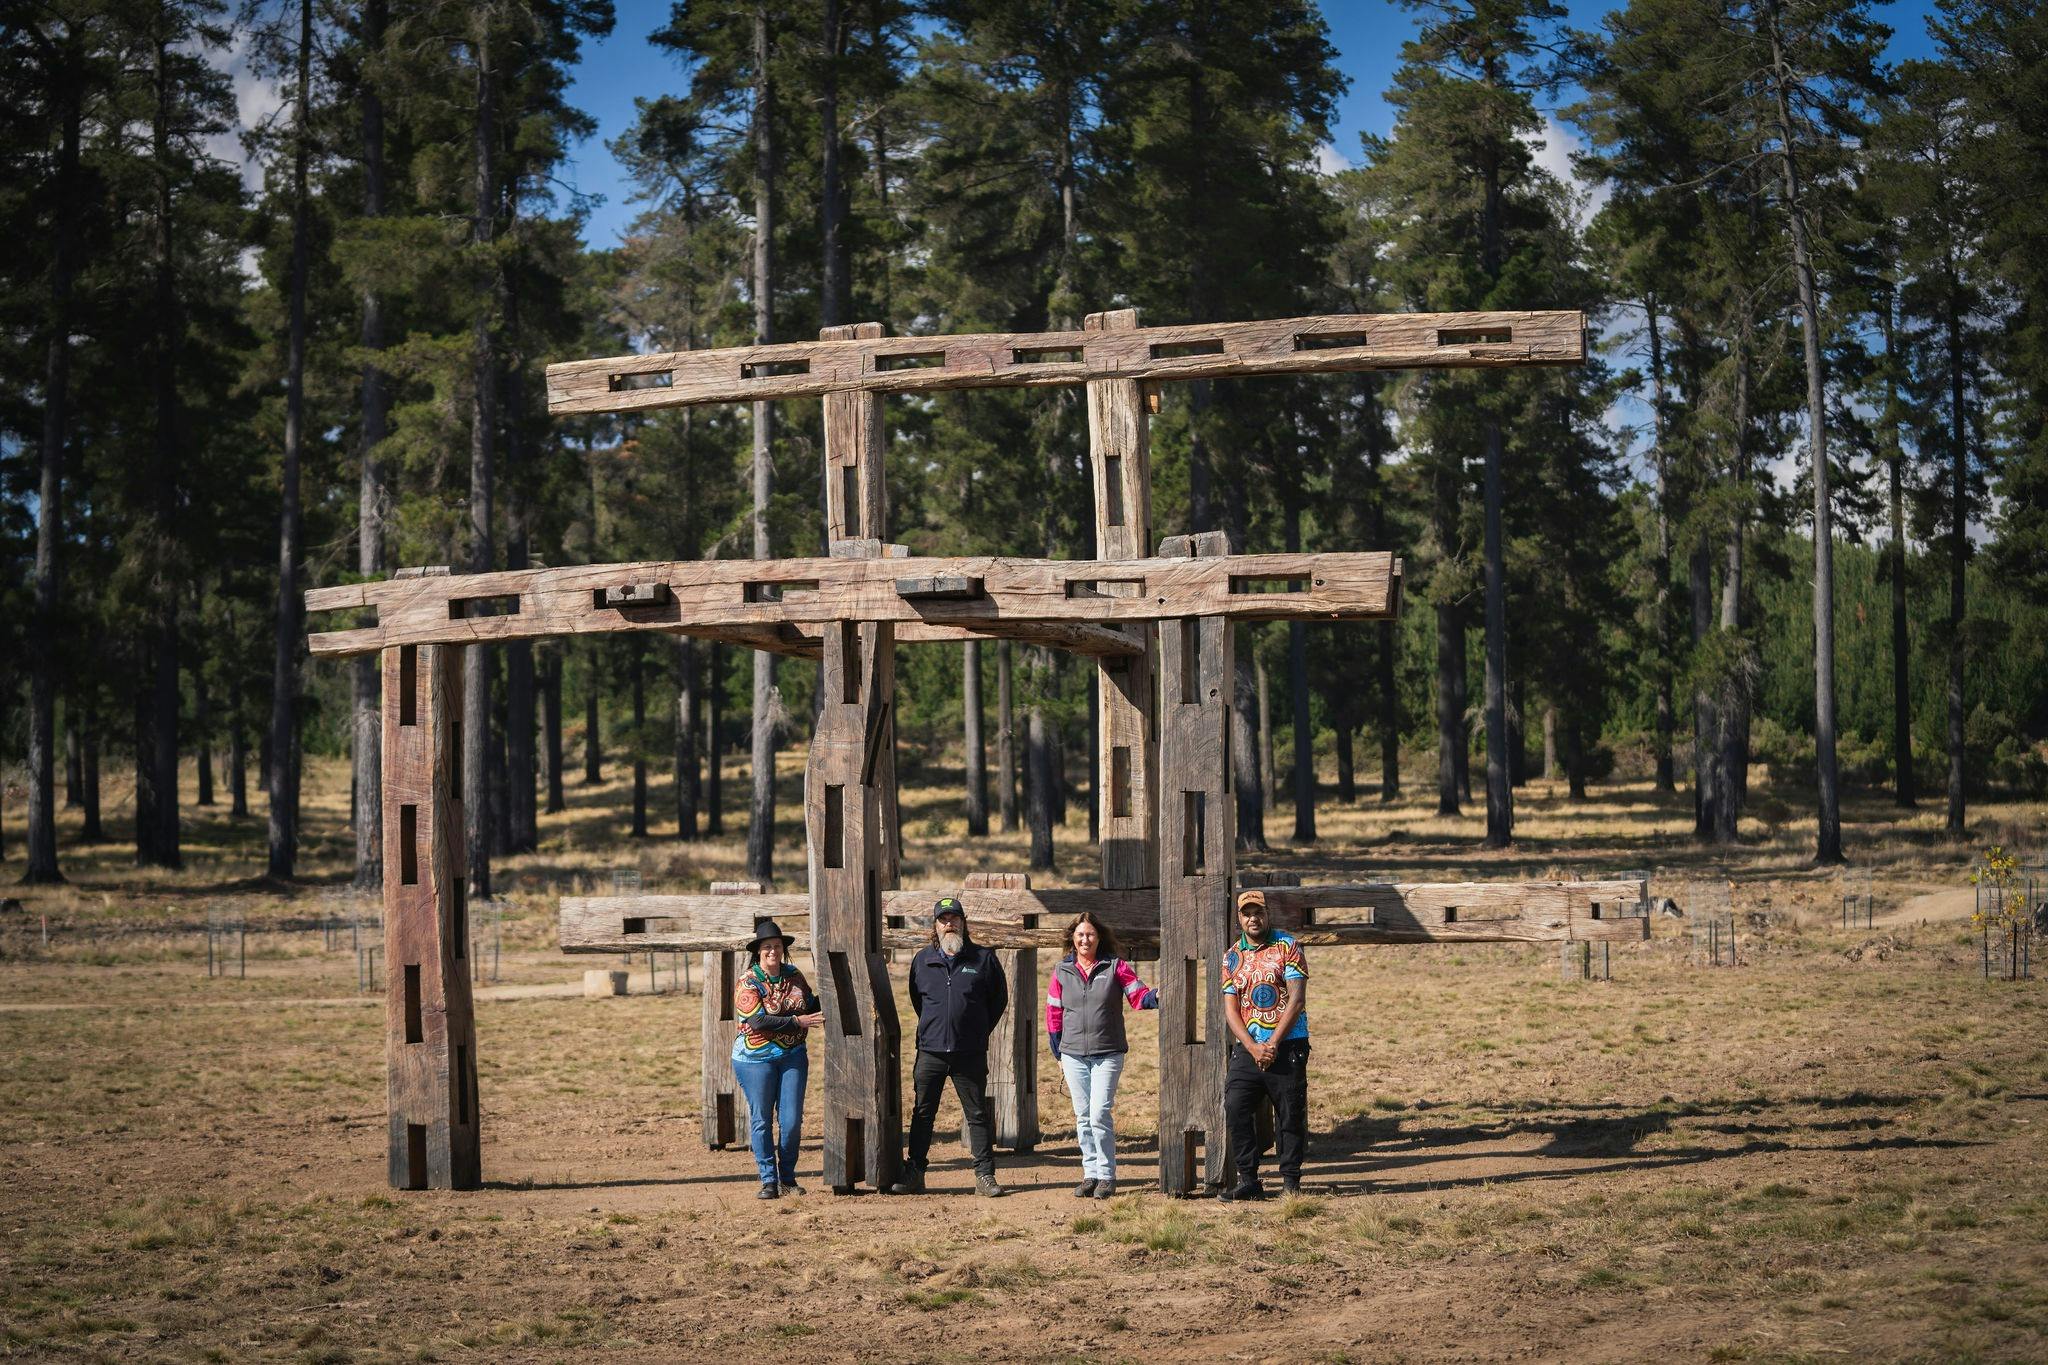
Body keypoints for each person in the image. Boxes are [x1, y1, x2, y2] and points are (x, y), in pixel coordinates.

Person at [891, 895, 1009, 1197]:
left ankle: (985, 1176)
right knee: (922, 1113)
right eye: (943, 920)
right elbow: (918, 1001)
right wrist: (936, 1028)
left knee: (977, 1114)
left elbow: (998, 1000)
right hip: (930, 1051)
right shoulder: (922, 960)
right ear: (935, 925)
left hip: (968, 1052)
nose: (949, 924)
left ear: (963, 922)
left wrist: (977, 1030)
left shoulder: (983, 959)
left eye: (955, 918)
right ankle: (915, 1172)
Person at [1046, 911, 1158, 1200]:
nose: (1085, 939)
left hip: (1107, 1052)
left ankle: (1107, 1176)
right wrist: (1058, 1049)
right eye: (1081, 934)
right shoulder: (1061, 971)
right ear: (1073, 938)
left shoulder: (1116, 967)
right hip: (1072, 1055)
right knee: (1082, 1117)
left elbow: (1138, 996)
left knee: (1098, 1114)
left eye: (1090, 934)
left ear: (1099, 937)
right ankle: (1090, 1174)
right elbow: (1053, 1013)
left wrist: (1158, 996)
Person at [1219, 888, 1310, 1201]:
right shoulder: (1232, 956)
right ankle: (1249, 1179)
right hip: (1249, 1047)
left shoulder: (1287, 946)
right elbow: (1231, 1008)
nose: (1253, 918)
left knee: (1289, 1112)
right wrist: (1253, 1046)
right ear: (1240, 919)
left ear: (1268, 914)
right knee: (1235, 1106)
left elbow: (1296, 999)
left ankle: (1290, 1182)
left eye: (1258, 912)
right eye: (1247, 913)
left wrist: (1272, 1042)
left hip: (1287, 1044)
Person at [731, 917, 823, 1199]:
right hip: (755, 1058)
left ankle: (788, 1178)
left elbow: (811, 1004)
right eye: (767, 947)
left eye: (777, 946)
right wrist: (798, 1022)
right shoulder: (748, 982)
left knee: (792, 1119)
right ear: (758, 952)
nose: (773, 951)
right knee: (761, 1118)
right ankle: (768, 1179)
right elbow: (758, 1021)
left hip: (792, 1055)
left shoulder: (794, 975)